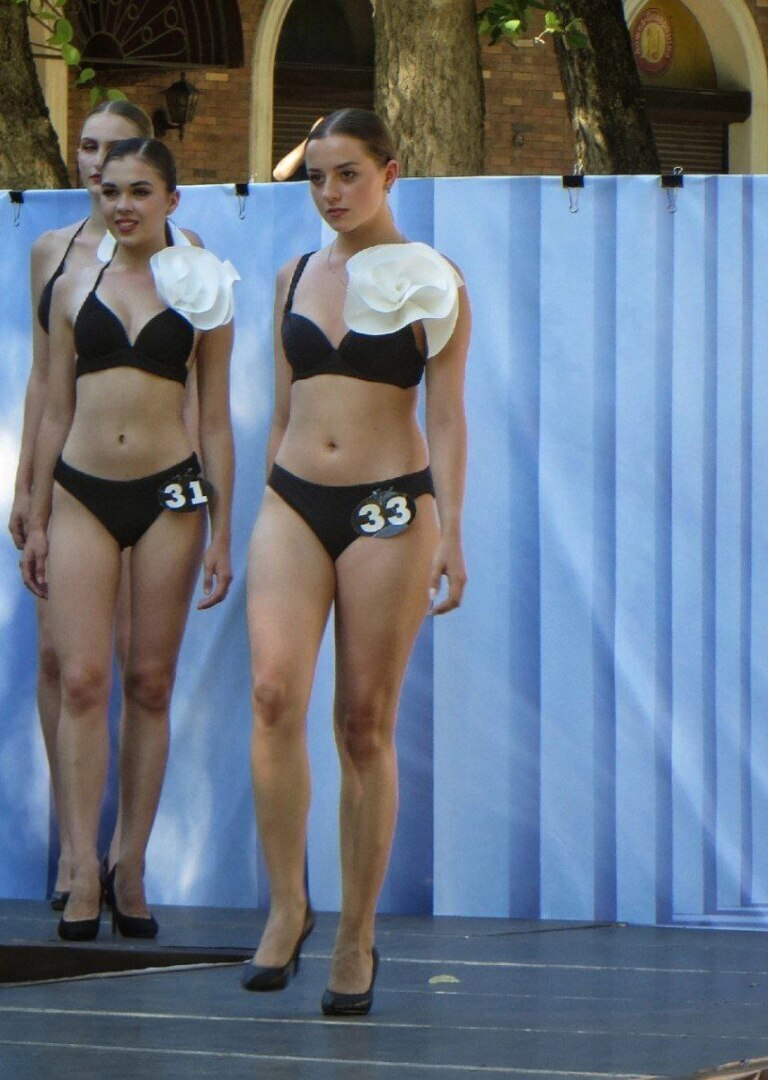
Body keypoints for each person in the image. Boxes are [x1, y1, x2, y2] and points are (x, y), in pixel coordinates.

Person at [244, 109, 469, 1015]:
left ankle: (356, 933)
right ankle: (288, 905)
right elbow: (280, 406)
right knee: (272, 696)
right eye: (317, 178)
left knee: (362, 721)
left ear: (390, 173)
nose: (331, 193)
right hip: (293, 501)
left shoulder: (434, 278)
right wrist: (265, 499)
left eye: (348, 175)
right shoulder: (293, 275)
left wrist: (452, 528)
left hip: (389, 506)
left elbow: (446, 414)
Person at [21, 137, 236, 941]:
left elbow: (215, 418)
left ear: (172, 200)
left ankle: (131, 863)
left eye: (141, 191)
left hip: (170, 497)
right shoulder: (72, 282)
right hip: (80, 492)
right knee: (81, 681)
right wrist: (35, 510)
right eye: (111, 190)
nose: (123, 205)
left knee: (148, 683)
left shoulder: (206, 284)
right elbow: (53, 406)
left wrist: (223, 529)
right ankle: (81, 863)